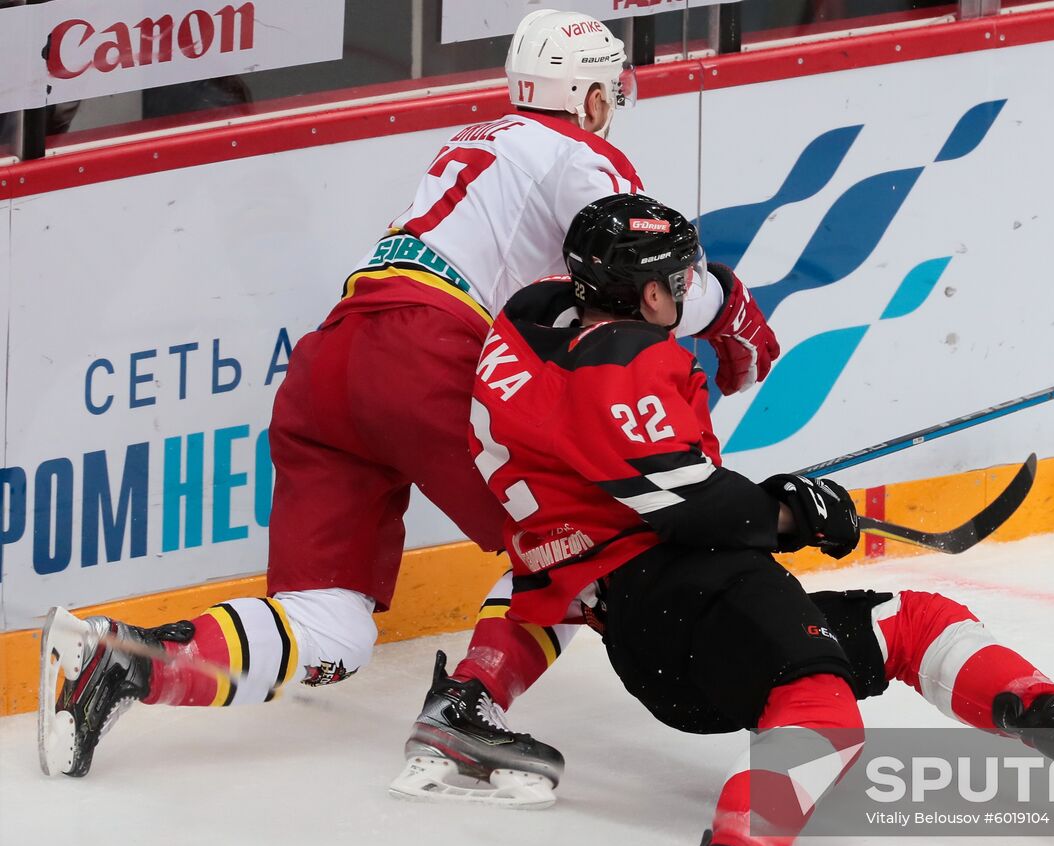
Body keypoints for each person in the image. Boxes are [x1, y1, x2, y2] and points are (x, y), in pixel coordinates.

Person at [37, 10, 780, 787]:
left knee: (332, 626)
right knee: (585, 535)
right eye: (607, 90)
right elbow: (642, 278)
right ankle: (468, 709)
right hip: (427, 352)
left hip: (330, 364)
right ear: (589, 96)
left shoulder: (471, 142)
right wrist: (734, 315)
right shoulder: (580, 157)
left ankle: (118, 664)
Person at [462, 192, 1054, 846]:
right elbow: (693, 505)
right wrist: (794, 514)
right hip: (688, 589)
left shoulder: (528, 327)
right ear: (648, 292)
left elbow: (636, 481)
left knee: (909, 623)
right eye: (678, 282)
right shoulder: (626, 360)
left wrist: (769, 501)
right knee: (823, 708)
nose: (686, 294)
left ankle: (1047, 714)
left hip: (639, 614)